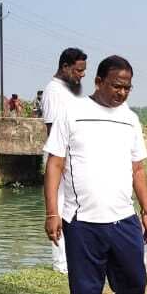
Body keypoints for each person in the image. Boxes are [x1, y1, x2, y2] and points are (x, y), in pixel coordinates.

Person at [43, 55, 147, 294]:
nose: (121, 93)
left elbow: (138, 169)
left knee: (136, 280)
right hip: (82, 222)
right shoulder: (73, 113)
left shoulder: (130, 120)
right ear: (98, 82)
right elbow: (54, 165)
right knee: (86, 289)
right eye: (115, 85)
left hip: (123, 219)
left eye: (127, 87)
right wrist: (52, 212)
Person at [41, 48, 88, 275]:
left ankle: (73, 259)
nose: (82, 75)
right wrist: (62, 162)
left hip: (74, 157)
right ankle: (61, 265)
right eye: (79, 70)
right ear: (65, 67)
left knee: (74, 208)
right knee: (58, 207)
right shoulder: (53, 91)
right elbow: (52, 130)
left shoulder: (70, 91)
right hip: (60, 158)